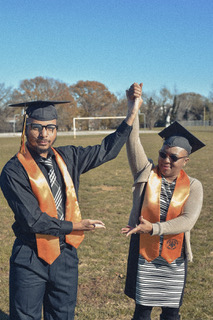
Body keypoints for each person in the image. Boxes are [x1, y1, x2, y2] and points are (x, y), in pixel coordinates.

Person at [0, 87, 142, 320]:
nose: (44, 134)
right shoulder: (13, 171)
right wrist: (75, 226)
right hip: (30, 256)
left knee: (63, 315)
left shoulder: (68, 157)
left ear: (56, 129)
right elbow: (33, 220)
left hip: (65, 256)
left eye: (50, 128)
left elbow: (107, 150)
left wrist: (131, 112)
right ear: (26, 129)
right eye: (37, 127)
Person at [121, 83, 205, 320]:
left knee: (171, 313)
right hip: (145, 255)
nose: (166, 160)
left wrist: (154, 228)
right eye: (162, 154)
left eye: (174, 157)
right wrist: (132, 106)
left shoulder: (194, 186)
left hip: (174, 258)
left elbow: (187, 221)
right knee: (142, 311)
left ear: (185, 161)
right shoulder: (146, 172)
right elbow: (132, 140)